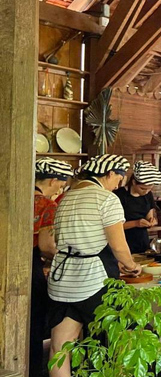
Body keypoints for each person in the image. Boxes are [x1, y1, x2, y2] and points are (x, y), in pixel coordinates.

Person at [48, 154, 141, 377]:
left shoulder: (66, 197)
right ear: (110, 174)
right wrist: (132, 265)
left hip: (62, 279)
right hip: (93, 280)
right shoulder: (106, 199)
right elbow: (118, 247)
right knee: (113, 344)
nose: (117, 186)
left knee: (59, 347)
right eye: (118, 180)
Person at [31, 158, 73, 377]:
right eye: (61, 183)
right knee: (34, 323)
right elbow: (47, 247)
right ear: (54, 180)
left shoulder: (19, 195)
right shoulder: (47, 205)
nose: (61, 188)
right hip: (30, 266)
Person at [114, 161, 161, 254]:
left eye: (149, 189)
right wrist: (136, 223)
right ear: (133, 182)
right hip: (124, 242)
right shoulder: (119, 195)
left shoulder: (148, 195)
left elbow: (150, 216)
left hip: (142, 241)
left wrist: (152, 221)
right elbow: (113, 226)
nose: (146, 192)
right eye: (143, 188)